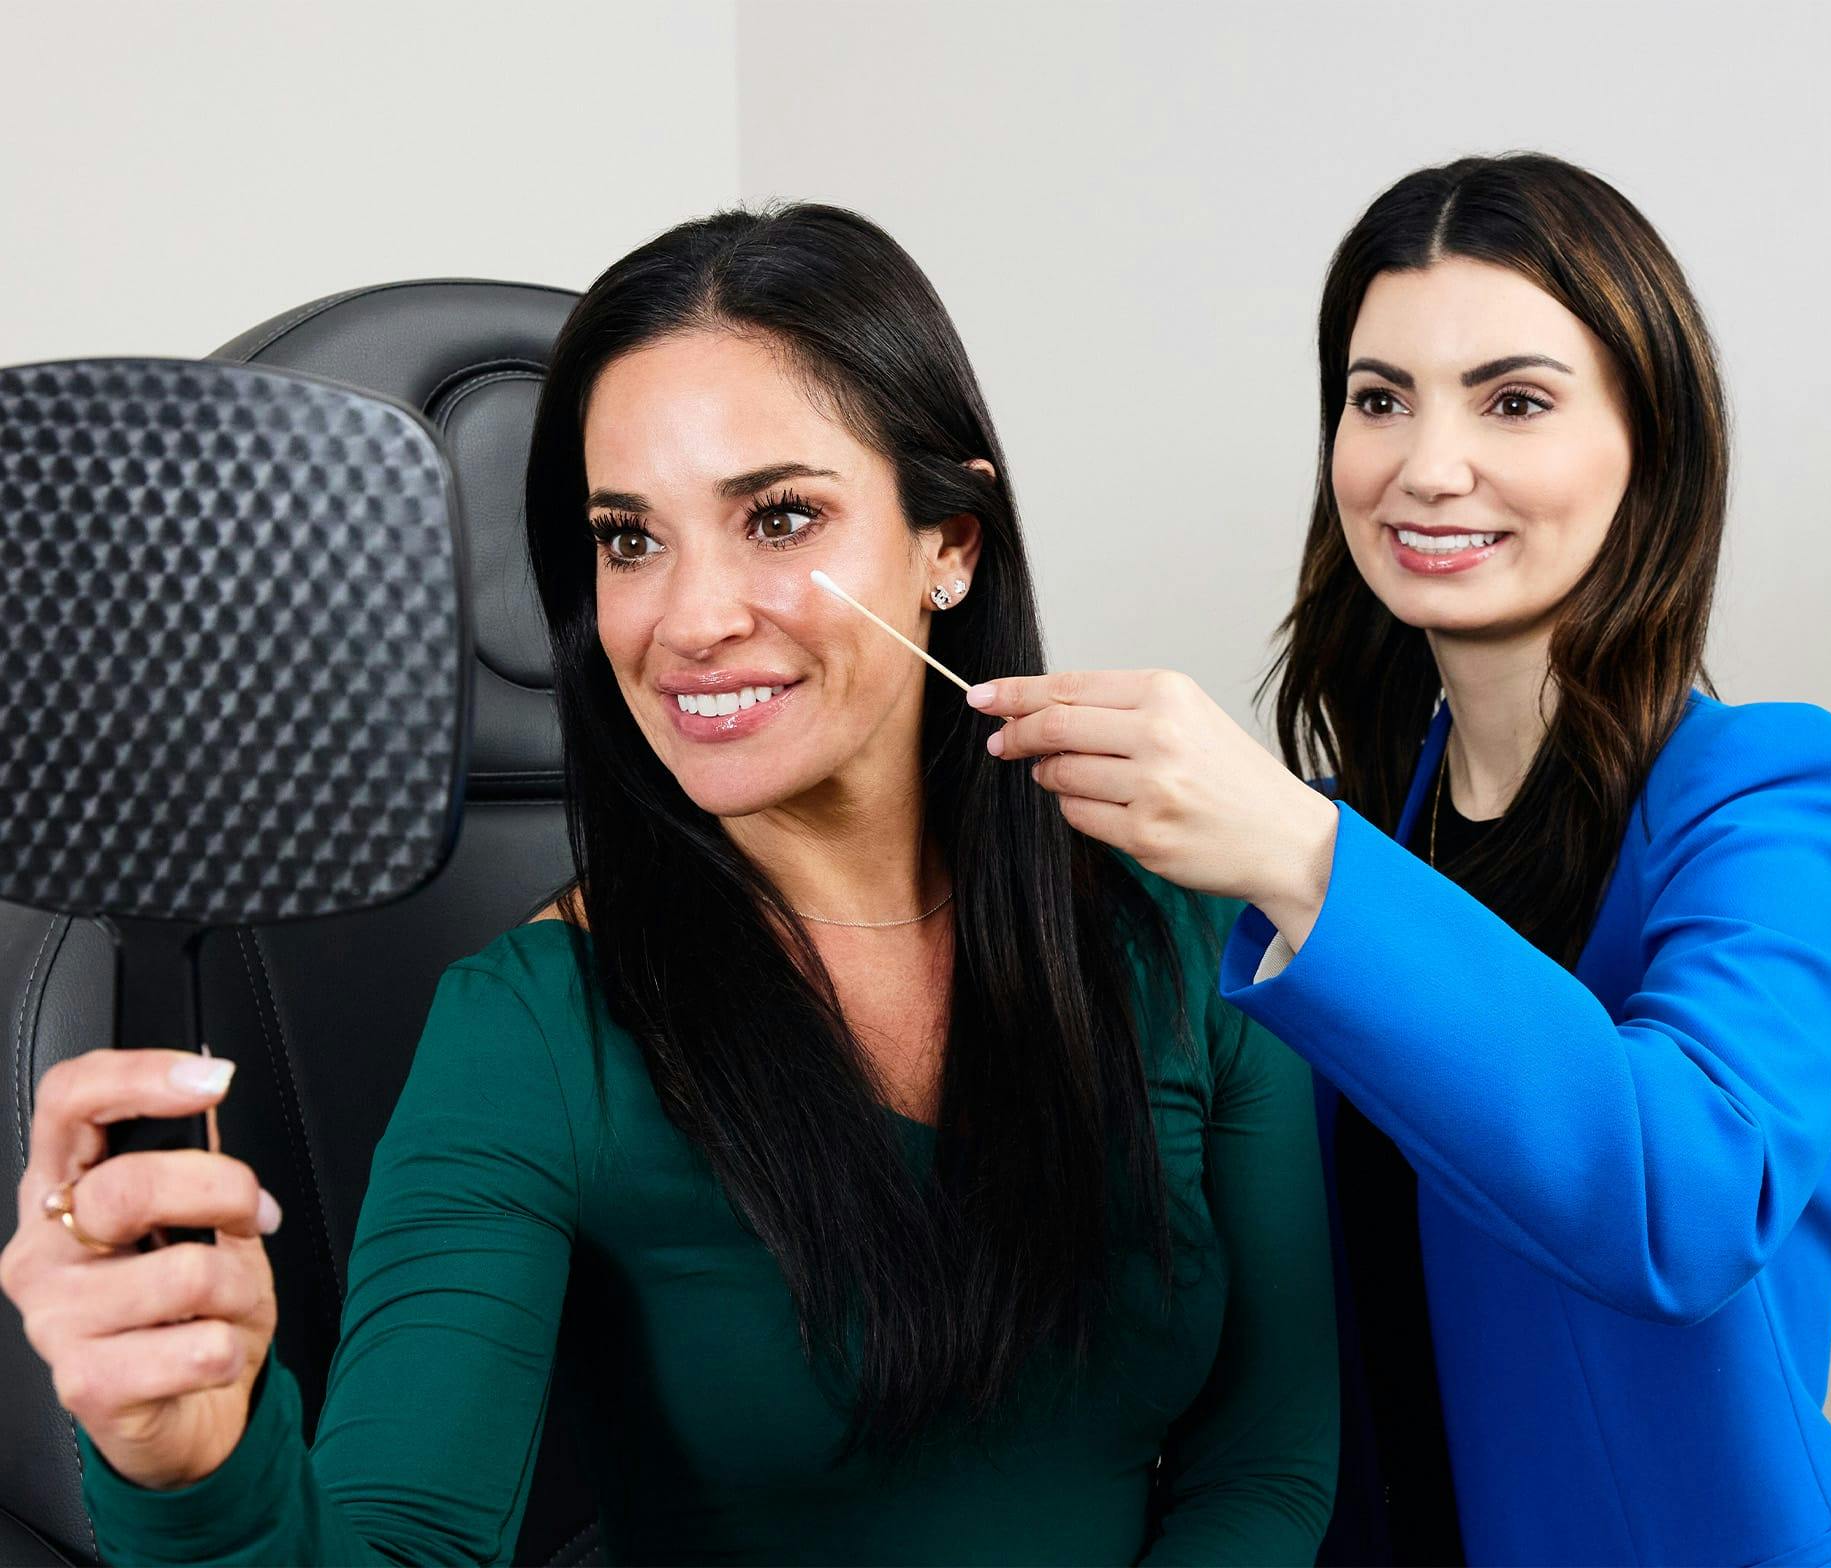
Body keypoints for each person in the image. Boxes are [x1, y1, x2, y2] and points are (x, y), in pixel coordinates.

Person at [1, 204, 1338, 1566]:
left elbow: (1270, 1464)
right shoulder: (533, 1030)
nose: (689, 621)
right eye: (629, 540)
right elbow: (399, 1548)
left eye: (779, 517)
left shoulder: (1186, 922)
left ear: (952, 542)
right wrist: (192, 1474)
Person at [969, 154, 1831, 1566]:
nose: (1426, 466)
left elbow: (1687, 1200)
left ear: (1652, 441)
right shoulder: (1356, 840)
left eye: (1514, 401)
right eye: (1378, 398)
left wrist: (1298, 849)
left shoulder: (1769, 794)